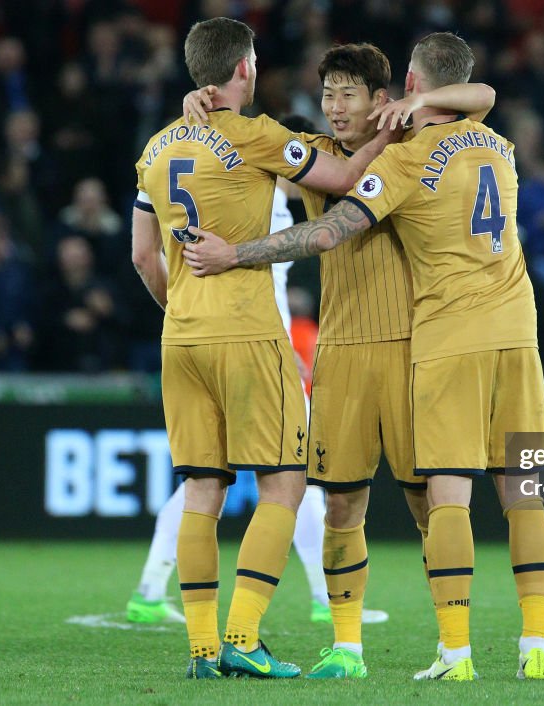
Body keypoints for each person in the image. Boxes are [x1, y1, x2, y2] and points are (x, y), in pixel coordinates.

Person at [183, 32, 544, 682]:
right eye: (327, 94)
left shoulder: (417, 150)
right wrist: (202, 99)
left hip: (419, 349)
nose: (334, 106)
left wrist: (416, 111)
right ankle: (347, 647)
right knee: (341, 507)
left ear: (384, 98)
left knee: (428, 504)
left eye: (347, 94)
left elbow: (481, 95)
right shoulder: (316, 156)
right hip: (344, 357)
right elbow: (245, 137)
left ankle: (452, 643)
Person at [130, 17, 397, 680]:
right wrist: (388, 134)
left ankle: (200, 651)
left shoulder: (157, 147)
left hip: (181, 337)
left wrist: (183, 310)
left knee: (200, 491)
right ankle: (243, 637)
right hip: (247, 332)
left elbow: (141, 257)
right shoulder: (256, 136)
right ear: (244, 68)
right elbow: (342, 178)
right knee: (283, 482)